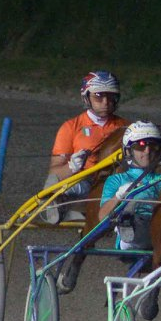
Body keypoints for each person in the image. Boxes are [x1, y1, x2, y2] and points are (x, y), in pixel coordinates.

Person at [44, 71, 129, 224]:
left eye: (111, 97)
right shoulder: (71, 127)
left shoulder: (127, 127)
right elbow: (54, 172)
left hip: (117, 182)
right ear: (86, 97)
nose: (105, 102)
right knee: (53, 183)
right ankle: (59, 210)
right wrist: (72, 167)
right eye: (99, 96)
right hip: (85, 182)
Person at [98, 121, 161, 252]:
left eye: (153, 146)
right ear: (128, 150)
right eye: (141, 146)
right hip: (133, 235)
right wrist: (118, 196)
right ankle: (127, 220)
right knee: (134, 212)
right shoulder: (117, 180)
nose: (147, 151)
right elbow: (102, 217)